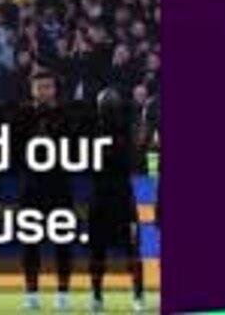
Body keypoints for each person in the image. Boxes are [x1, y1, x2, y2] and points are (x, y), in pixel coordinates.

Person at [18, 69, 75, 312]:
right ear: (32, 89)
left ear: (55, 89)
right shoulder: (21, 116)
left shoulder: (67, 115)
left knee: (62, 242)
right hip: (30, 187)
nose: (44, 92)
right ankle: (31, 293)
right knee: (30, 243)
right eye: (39, 87)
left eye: (48, 87)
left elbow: (75, 149)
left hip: (59, 186)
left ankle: (62, 294)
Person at [85, 90, 144, 315]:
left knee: (131, 249)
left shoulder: (125, 131)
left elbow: (133, 159)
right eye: (104, 107)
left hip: (122, 198)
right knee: (97, 251)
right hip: (101, 198)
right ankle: (97, 296)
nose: (108, 112)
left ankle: (137, 295)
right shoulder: (93, 133)